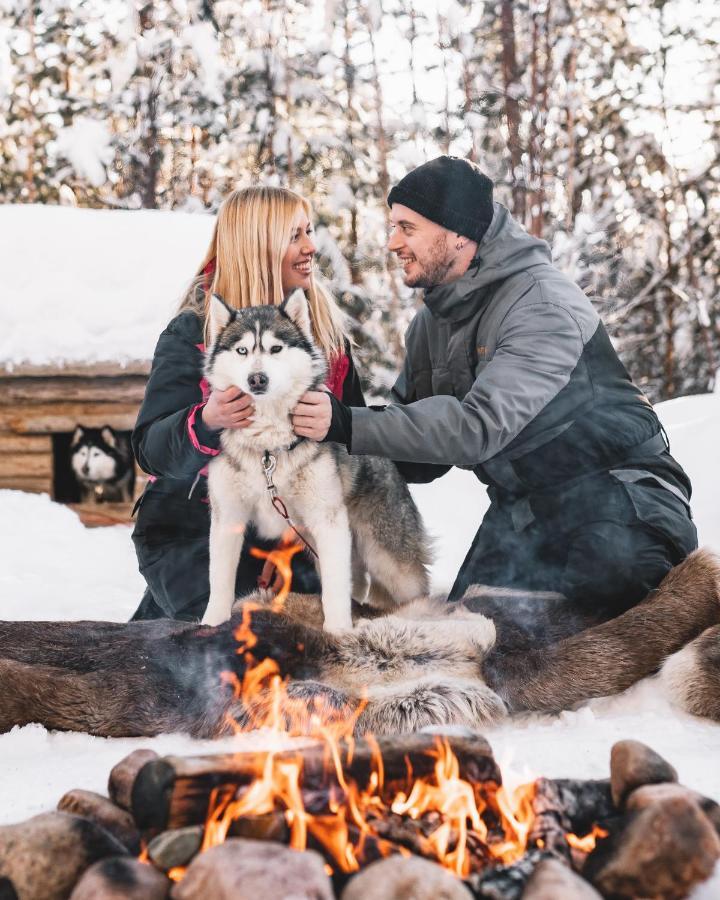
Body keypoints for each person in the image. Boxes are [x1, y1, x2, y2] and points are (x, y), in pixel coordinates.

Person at [292, 156, 698, 614]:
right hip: (524, 514)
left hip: (621, 497)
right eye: (393, 228)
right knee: (464, 639)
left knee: (601, 604)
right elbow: (415, 459)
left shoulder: (541, 304)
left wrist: (345, 423)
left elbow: (475, 429)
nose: (392, 243)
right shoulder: (431, 324)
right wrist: (322, 435)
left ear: (458, 233)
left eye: (407, 228)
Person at [130, 186, 365, 621]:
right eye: (295, 235)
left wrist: (296, 540)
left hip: (295, 528)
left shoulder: (327, 339)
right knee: (226, 652)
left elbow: (352, 449)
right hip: (193, 525)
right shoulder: (194, 332)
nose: (311, 247)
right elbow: (150, 450)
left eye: (309, 232)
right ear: (258, 245)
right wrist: (205, 421)